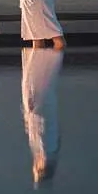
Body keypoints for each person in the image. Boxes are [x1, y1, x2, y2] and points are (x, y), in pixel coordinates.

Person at [21, 43, 63, 183]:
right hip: (37, 102)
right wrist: (32, 106)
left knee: (36, 64)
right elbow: (41, 126)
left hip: (38, 103)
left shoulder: (49, 149)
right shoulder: (46, 149)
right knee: (37, 65)